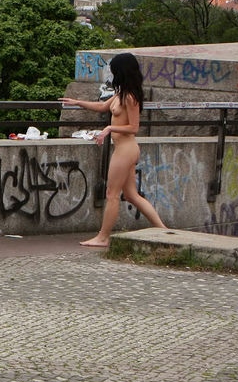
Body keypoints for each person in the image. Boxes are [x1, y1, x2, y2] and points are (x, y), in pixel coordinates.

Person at [60, 52, 166, 247]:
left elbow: (134, 127)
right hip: (124, 149)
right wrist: (77, 102)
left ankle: (103, 237)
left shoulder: (130, 97)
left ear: (122, 72)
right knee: (132, 195)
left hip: (126, 150)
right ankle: (164, 231)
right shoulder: (121, 93)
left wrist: (109, 128)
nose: (112, 74)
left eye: (114, 71)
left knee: (112, 194)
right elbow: (102, 107)